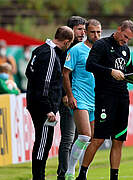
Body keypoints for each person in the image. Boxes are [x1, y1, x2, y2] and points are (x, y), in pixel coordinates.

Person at [76, 20, 133, 180]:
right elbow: (90, 65)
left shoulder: (126, 50)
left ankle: (114, 177)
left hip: (122, 98)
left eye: (129, 39)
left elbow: (131, 73)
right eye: (124, 36)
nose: (125, 41)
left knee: (118, 140)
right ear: (119, 29)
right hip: (105, 97)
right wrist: (110, 71)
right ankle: (82, 174)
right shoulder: (101, 44)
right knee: (98, 138)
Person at [25, 26, 74, 180]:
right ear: (66, 42)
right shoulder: (51, 55)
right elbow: (45, 84)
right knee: (43, 144)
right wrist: (48, 108)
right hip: (43, 107)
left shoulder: (39, 50)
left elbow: (29, 72)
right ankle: (39, 177)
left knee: (43, 141)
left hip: (35, 102)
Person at [63, 19, 102, 180]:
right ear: (86, 32)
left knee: (92, 139)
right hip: (80, 98)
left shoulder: (102, 50)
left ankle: (82, 173)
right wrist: (70, 95)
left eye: (99, 32)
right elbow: (65, 73)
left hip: (96, 99)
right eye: (93, 32)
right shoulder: (77, 50)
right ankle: (70, 171)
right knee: (84, 135)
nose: (96, 35)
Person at [57, 16, 87, 180]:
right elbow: (61, 75)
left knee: (80, 138)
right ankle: (63, 174)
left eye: (84, 29)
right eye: (79, 29)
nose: (83, 32)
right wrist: (65, 95)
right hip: (68, 100)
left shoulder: (84, 48)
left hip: (83, 100)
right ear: (70, 31)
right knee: (68, 139)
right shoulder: (65, 50)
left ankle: (73, 173)